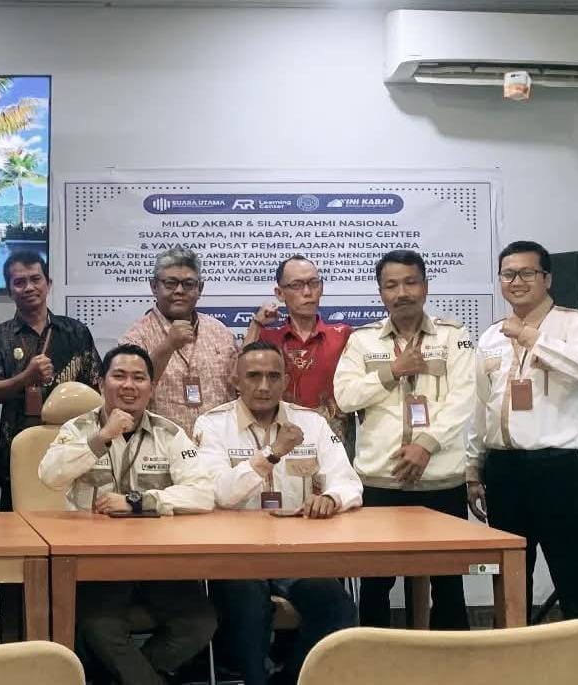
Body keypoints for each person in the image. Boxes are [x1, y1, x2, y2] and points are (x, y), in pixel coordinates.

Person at [38, 343, 217, 685]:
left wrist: (139, 501)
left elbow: (203, 492)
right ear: (102, 383)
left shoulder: (169, 433)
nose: (129, 385)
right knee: (99, 627)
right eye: (119, 376)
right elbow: (49, 475)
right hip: (97, 563)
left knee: (199, 623)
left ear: (152, 387)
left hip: (160, 561)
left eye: (139, 377)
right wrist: (102, 437)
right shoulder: (77, 429)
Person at [194, 342, 359, 685]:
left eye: (273, 376)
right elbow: (220, 492)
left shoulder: (311, 423)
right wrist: (272, 453)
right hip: (238, 554)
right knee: (249, 605)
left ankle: (290, 679)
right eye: (253, 376)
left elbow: (348, 482)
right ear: (235, 381)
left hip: (298, 553)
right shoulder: (213, 425)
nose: (264, 386)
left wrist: (330, 497)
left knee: (336, 604)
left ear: (285, 381)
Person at [467, 240, 578, 624]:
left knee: (573, 567)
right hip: (503, 470)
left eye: (526, 273)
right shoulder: (492, 336)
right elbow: (481, 408)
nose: (516, 281)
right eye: (508, 274)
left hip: (556, 470)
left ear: (547, 278)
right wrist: (472, 467)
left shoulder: (575, 323)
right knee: (509, 569)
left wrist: (533, 338)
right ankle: (513, 649)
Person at [334, 249, 476, 630]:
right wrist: (392, 372)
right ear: (380, 293)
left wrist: (425, 444)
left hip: (440, 479)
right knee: (377, 582)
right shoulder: (363, 341)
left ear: (425, 286)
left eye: (410, 282)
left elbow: (464, 397)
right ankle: (375, 660)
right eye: (391, 285)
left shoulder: (453, 337)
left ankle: (453, 661)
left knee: (449, 582)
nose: (402, 293)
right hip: (382, 480)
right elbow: (345, 397)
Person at [0, 250, 100, 511]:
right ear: (9, 290)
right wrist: (26, 378)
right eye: (19, 282)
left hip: (74, 448)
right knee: (18, 533)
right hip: (19, 449)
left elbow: (96, 390)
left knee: (79, 527)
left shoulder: (76, 332)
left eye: (36, 279)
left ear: (49, 283)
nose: (29, 287)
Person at [241, 255, 354, 458]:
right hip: (281, 440)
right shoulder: (269, 337)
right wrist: (256, 325)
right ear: (280, 293)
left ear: (322, 287)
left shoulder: (343, 335)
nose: (307, 292)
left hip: (333, 440)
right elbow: (240, 377)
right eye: (296, 285)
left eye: (313, 283)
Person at [121, 246, 238, 437]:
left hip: (217, 446)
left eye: (188, 284)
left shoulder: (221, 333)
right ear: (154, 286)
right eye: (170, 283)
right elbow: (130, 393)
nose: (179, 291)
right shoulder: (135, 337)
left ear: (200, 289)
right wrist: (168, 346)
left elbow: (239, 385)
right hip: (160, 446)